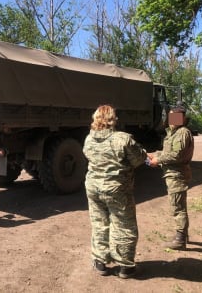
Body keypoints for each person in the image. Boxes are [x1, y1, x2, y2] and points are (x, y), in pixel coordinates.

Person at [83, 105, 147, 279]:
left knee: (99, 223)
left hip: (93, 188)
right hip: (117, 190)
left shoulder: (89, 138)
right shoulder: (123, 139)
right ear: (113, 119)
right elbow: (139, 159)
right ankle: (125, 266)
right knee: (123, 225)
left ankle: (100, 262)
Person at [147, 105, 194, 250]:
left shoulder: (182, 132)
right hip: (173, 174)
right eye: (171, 116)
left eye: (176, 116)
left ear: (183, 118)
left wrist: (158, 160)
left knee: (178, 207)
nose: (172, 119)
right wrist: (154, 155)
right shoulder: (173, 133)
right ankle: (182, 235)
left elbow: (176, 154)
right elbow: (169, 151)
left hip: (177, 175)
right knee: (178, 205)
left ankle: (180, 240)